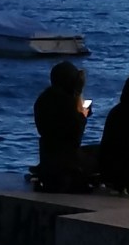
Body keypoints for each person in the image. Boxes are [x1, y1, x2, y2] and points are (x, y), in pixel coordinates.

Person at [32, 61, 98, 193]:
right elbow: (75, 137)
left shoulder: (44, 99)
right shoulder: (67, 104)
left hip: (48, 156)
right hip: (68, 161)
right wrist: (82, 117)